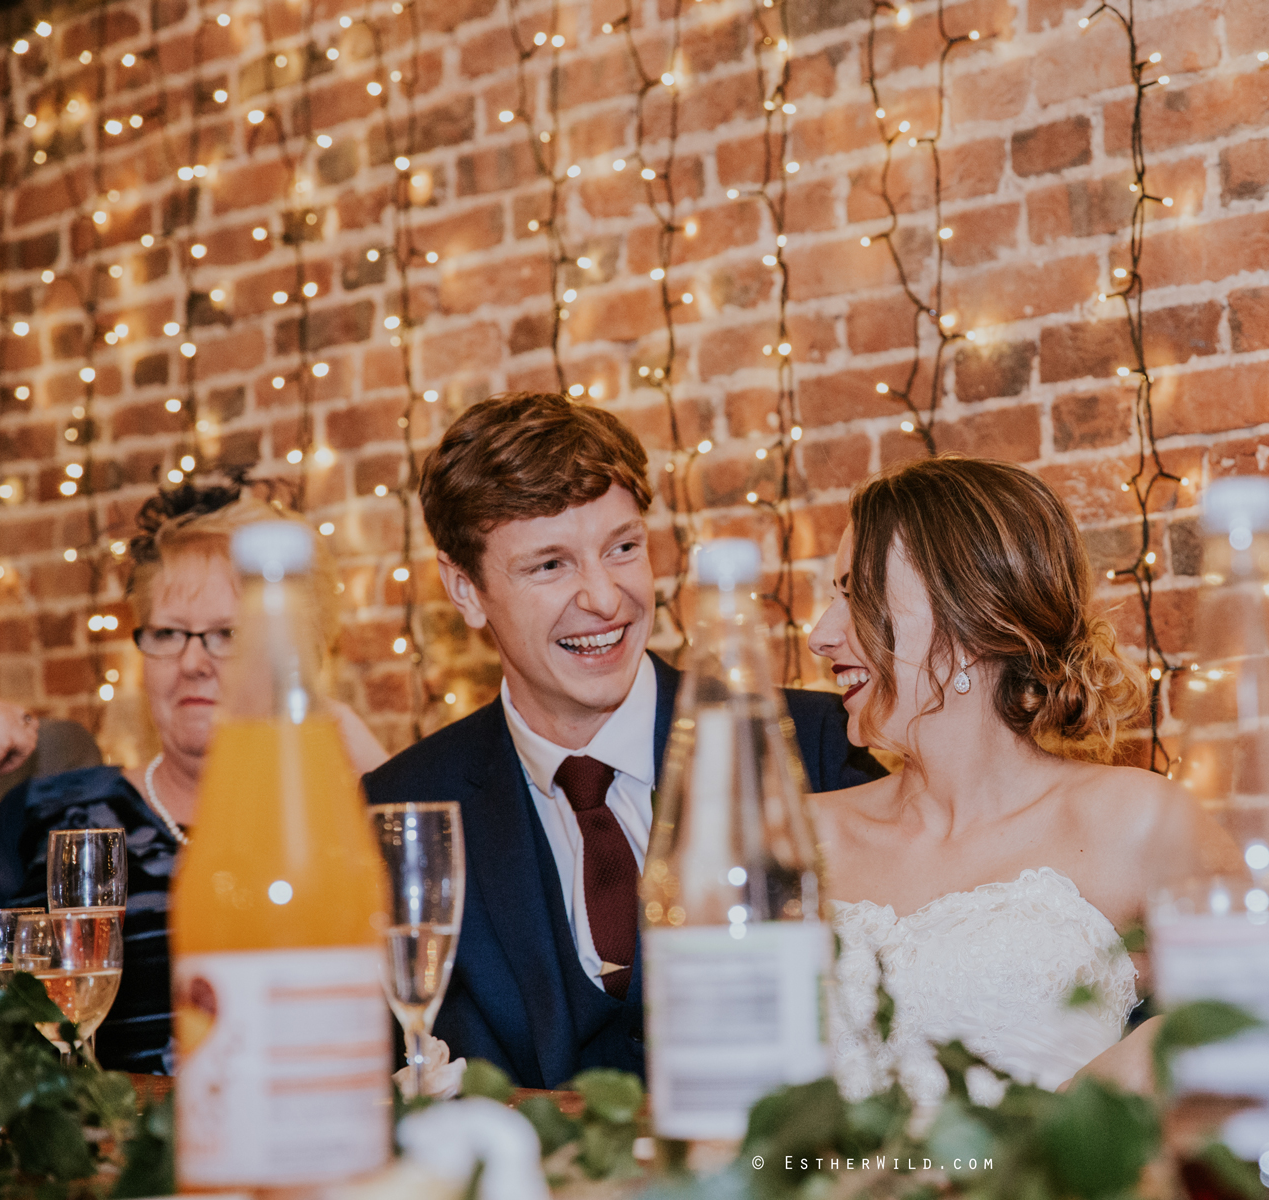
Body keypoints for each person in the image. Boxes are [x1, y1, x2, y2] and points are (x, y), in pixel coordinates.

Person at [364, 393, 882, 1090]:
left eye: (623, 549)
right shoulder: (398, 807)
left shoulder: (816, 748)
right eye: (550, 565)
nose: (605, 599)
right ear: (464, 589)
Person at [808, 456, 1225, 1105]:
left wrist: (1078, 1117)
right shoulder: (802, 836)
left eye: (855, 596)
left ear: (975, 620)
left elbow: (1268, 1016)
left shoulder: (1137, 823)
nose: (820, 635)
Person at [0, 483, 390, 1073]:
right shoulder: (43, 813)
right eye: (167, 633)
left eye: (227, 634)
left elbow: (436, 980)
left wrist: (351, 752)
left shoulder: (330, 821)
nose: (193, 662)